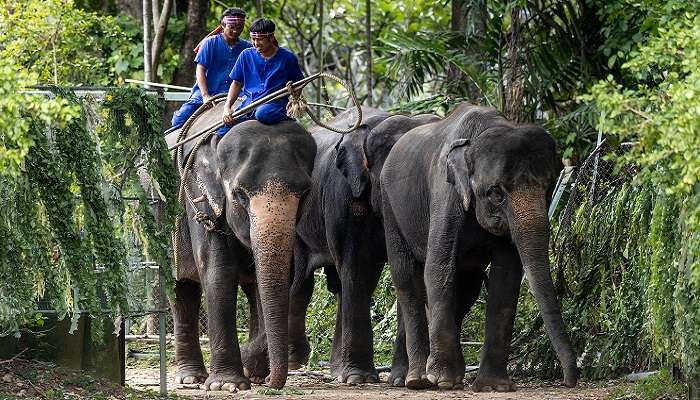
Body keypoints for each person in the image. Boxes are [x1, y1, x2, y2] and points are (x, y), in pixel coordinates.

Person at [219, 18, 305, 136]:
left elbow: (299, 83)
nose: (255, 43)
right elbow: (236, 83)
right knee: (223, 130)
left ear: (271, 38)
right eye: (253, 39)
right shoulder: (246, 55)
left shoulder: (288, 58)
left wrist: (293, 101)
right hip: (249, 104)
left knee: (263, 114)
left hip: (275, 104)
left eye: (259, 39)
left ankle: (287, 118)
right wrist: (227, 108)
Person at [170, 8, 252, 129]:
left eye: (239, 27)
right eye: (232, 27)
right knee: (178, 120)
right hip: (207, 92)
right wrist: (205, 96)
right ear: (223, 25)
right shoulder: (210, 42)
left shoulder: (247, 47)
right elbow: (200, 69)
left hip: (235, 96)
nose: (235, 31)